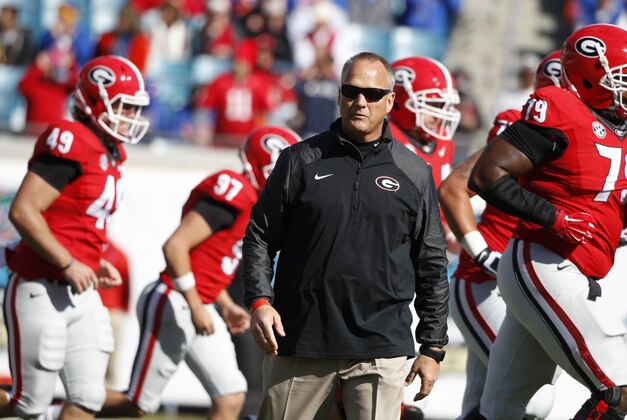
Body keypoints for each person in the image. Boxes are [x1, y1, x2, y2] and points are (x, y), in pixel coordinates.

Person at [241, 51, 450, 419]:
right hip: (300, 340)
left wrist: (433, 347)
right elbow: (259, 237)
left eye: (371, 94)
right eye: (351, 91)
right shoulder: (298, 160)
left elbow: (431, 263)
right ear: (339, 95)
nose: (360, 102)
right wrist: (260, 301)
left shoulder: (415, 172)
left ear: (390, 101)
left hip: (381, 347)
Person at [467, 24, 627, 420]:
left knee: (506, 408)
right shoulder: (560, 108)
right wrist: (553, 216)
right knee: (619, 389)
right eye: (622, 77)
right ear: (591, 75)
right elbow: (486, 174)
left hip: (569, 269)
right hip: (543, 262)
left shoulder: (617, 128)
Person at [99, 125, 301, 420]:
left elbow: (205, 264)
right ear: (261, 166)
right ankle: (64, 409)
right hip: (174, 300)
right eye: (281, 171)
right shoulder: (235, 191)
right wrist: (196, 305)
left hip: (200, 302)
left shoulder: (253, 205)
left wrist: (226, 305)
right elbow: (175, 247)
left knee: (231, 396)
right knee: (138, 404)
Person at [2, 55, 150, 419]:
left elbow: (70, 224)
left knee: (88, 398)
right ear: (94, 101)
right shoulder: (71, 139)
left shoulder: (109, 151)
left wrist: (92, 260)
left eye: (134, 108)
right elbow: (23, 211)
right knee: (27, 404)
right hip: (40, 285)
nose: (131, 116)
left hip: (80, 293)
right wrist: (69, 262)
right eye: (124, 106)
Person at [438, 50, 562, 420]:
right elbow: (455, 188)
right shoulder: (522, 125)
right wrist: (479, 252)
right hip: (487, 280)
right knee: (530, 397)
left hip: (532, 282)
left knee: (486, 403)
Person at [388, 55, 461, 252]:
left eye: (444, 106)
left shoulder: (443, 142)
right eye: (433, 104)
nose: (440, 114)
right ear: (399, 100)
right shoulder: (383, 141)